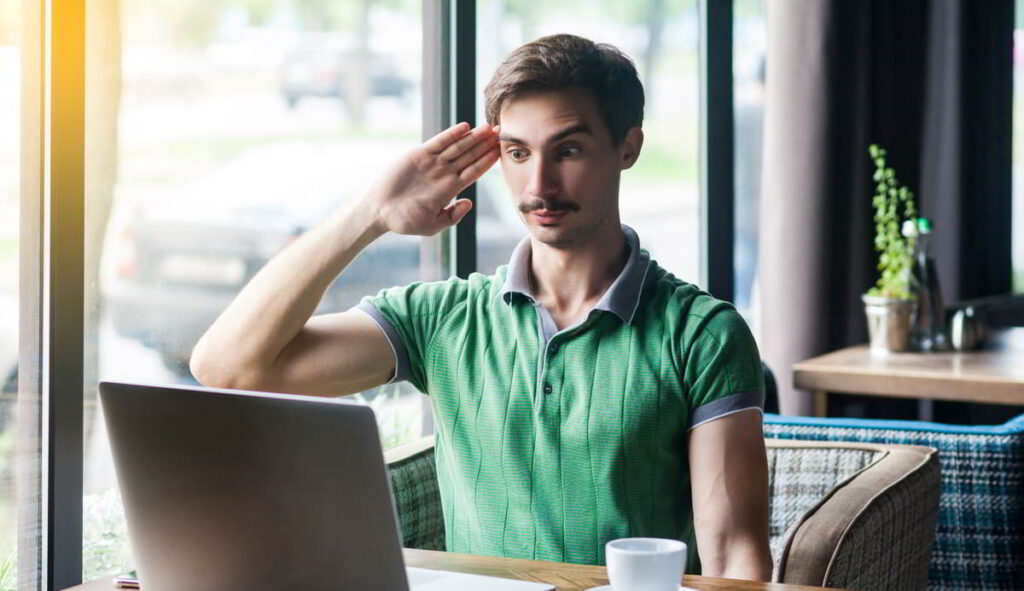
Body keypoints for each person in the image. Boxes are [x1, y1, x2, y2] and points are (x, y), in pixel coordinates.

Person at [191, 33, 772, 580]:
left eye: (567, 149)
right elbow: (228, 367)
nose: (538, 185)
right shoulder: (442, 319)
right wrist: (368, 214)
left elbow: (734, 556)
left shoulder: (703, 334)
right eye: (517, 153)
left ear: (628, 147)